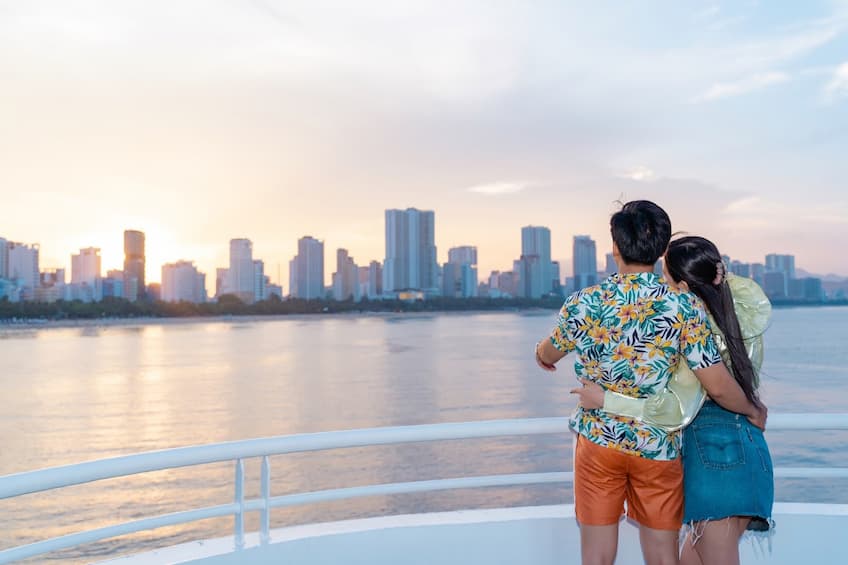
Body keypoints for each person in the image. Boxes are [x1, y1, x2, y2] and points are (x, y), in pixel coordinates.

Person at [535, 202, 766, 565]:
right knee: (662, 557)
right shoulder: (683, 307)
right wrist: (752, 408)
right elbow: (718, 385)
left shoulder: (583, 303)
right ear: (661, 251)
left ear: (615, 247)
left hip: (599, 442)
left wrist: (542, 354)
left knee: (596, 556)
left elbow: (549, 353)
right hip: (657, 445)